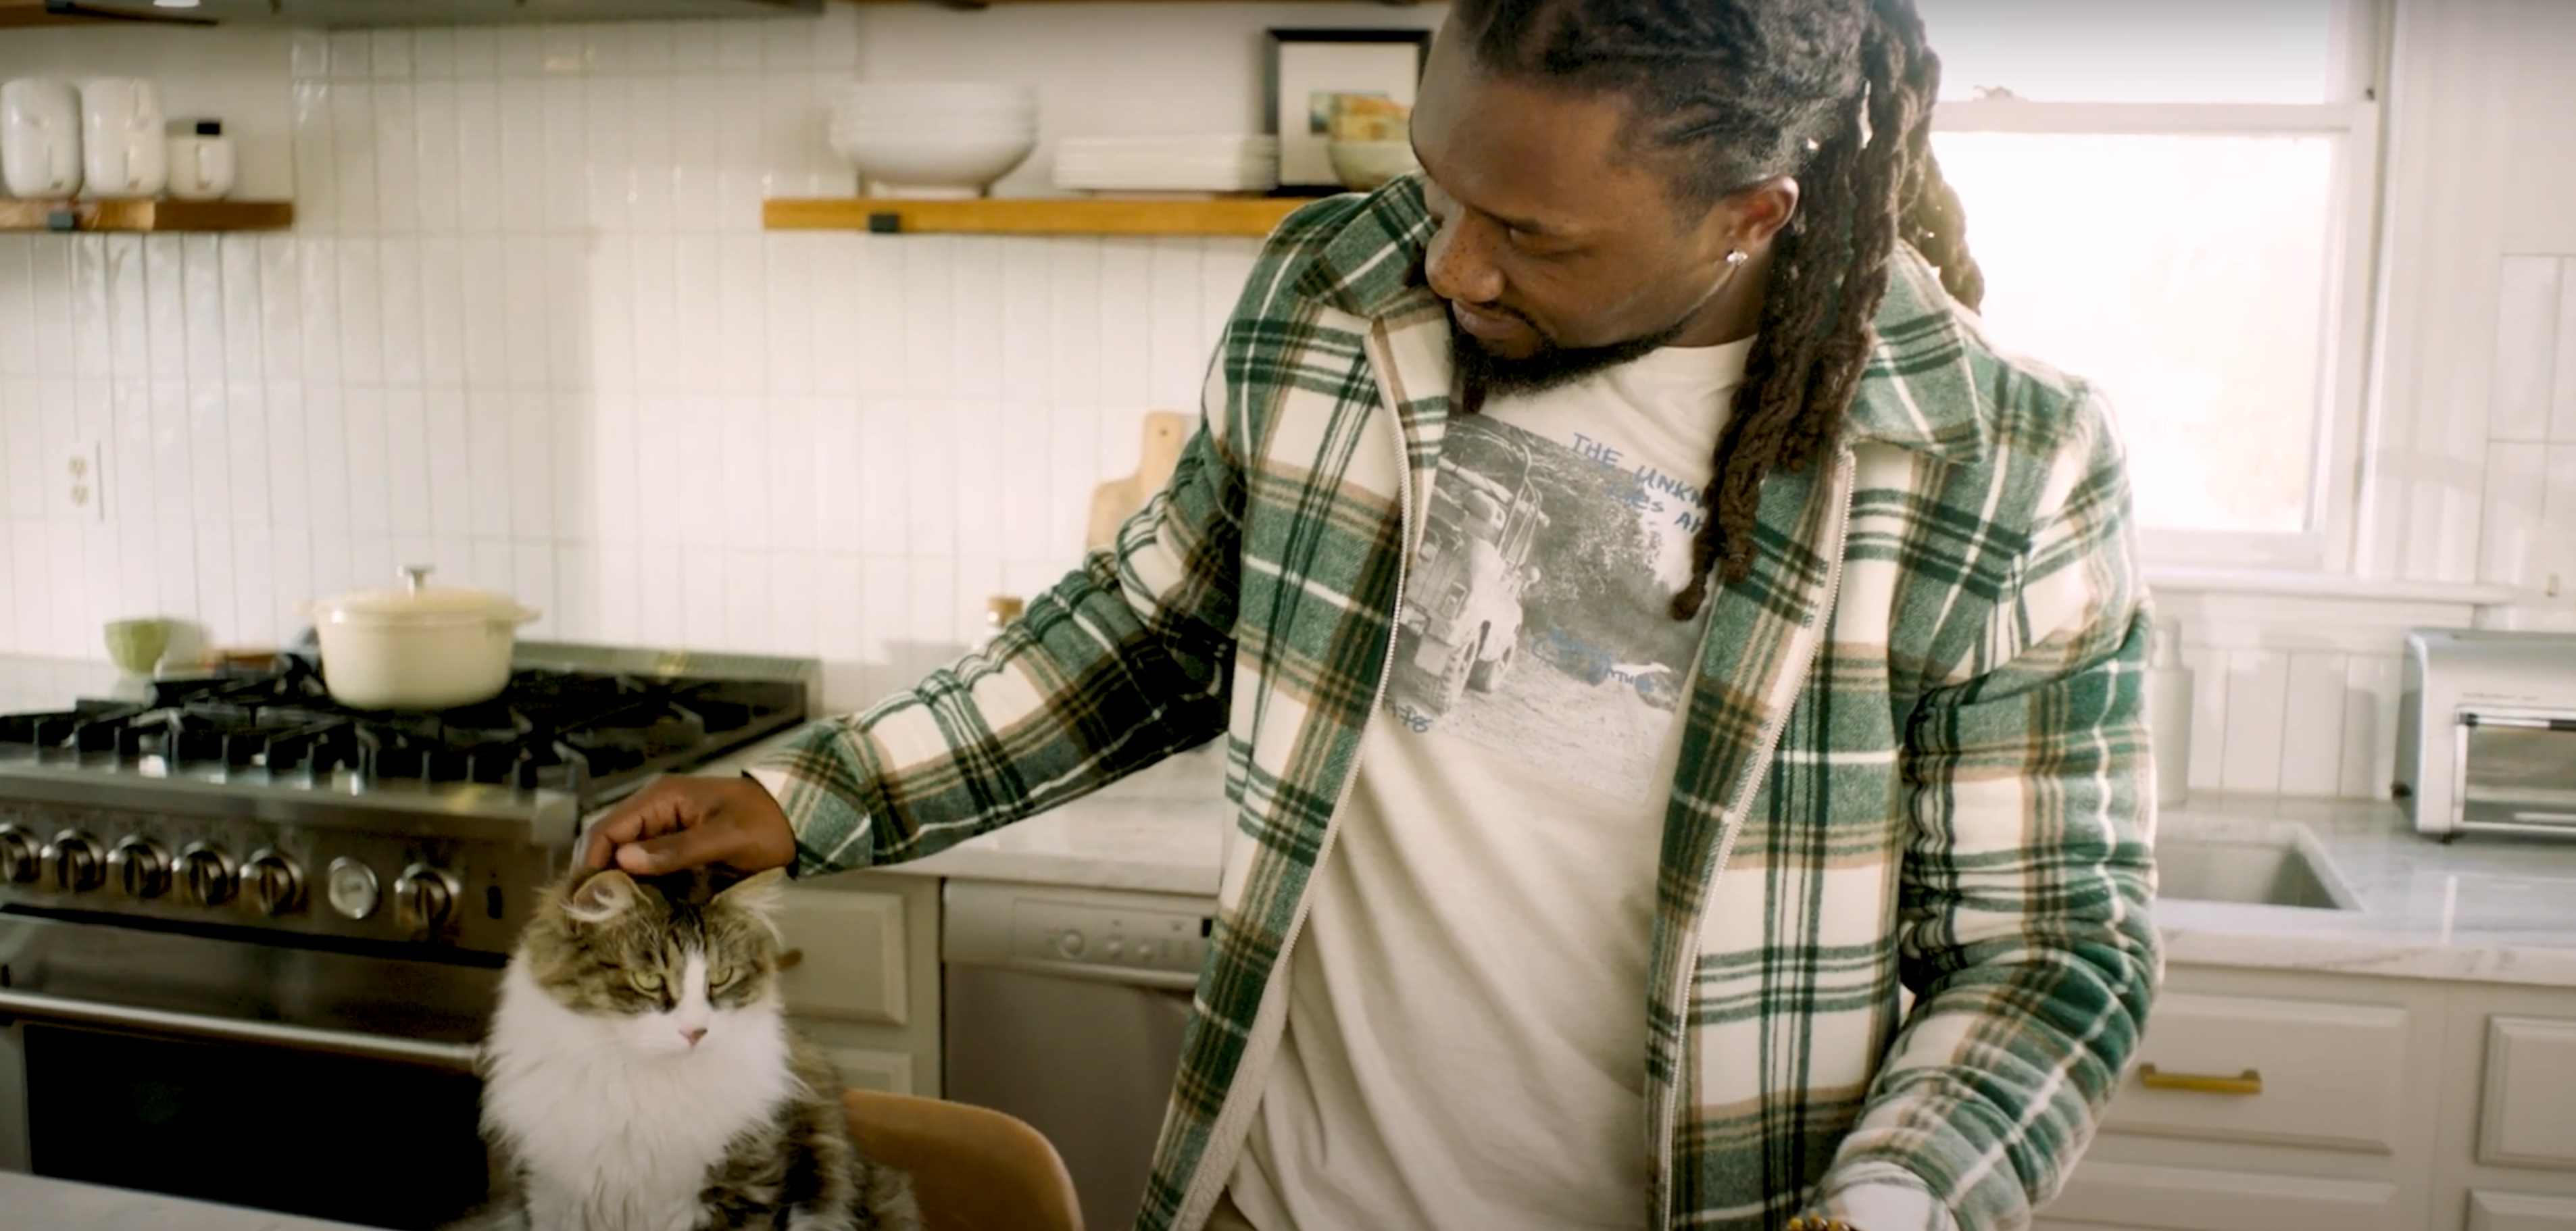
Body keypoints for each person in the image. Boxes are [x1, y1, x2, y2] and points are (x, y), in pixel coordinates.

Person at [581, 1, 2162, 1229]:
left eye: (1532, 235)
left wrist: (1896, 1196)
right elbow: (1150, 625)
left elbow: (2047, 950)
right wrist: (815, 791)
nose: (1449, 260)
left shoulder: (1995, 462)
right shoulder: (1337, 296)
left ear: (1747, 214)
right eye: (1435, 180)